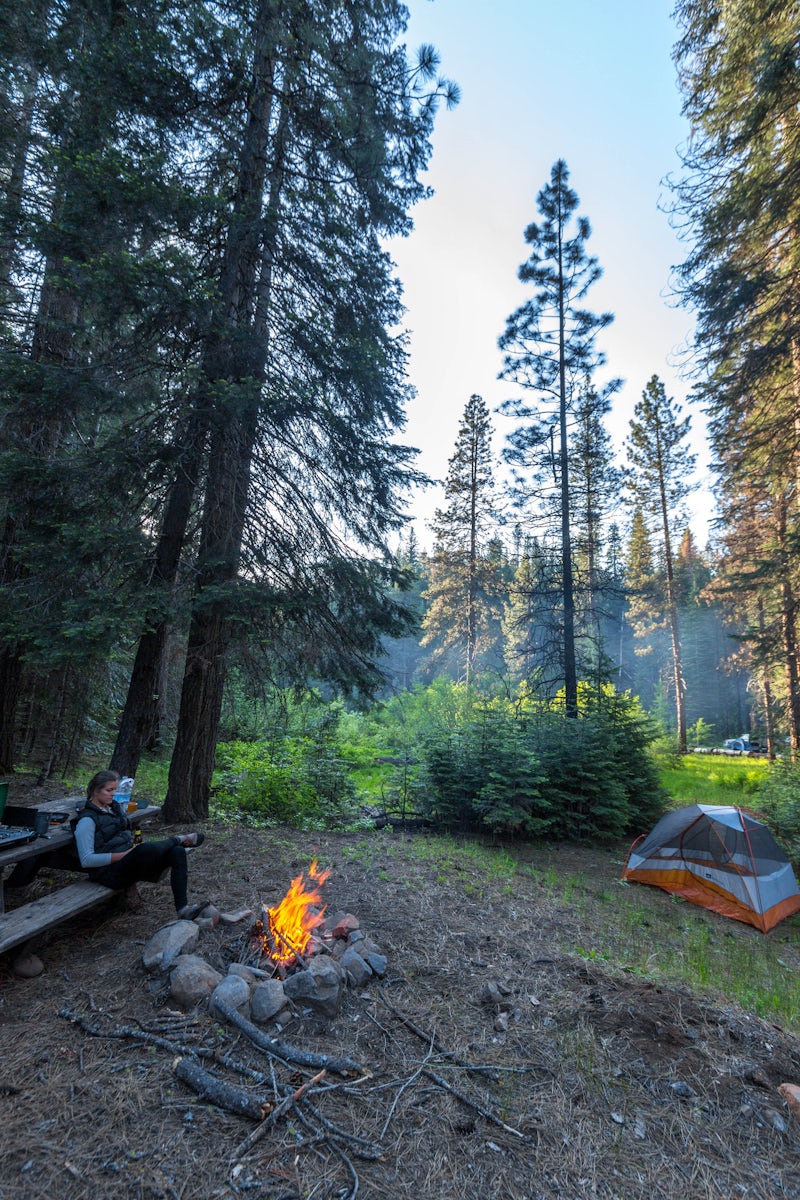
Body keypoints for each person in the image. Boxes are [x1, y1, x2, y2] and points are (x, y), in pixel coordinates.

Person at [75, 769, 208, 918]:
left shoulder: (113, 808)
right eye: (109, 790)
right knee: (144, 849)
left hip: (129, 864)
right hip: (108, 874)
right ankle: (176, 839)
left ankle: (183, 909)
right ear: (95, 791)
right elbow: (86, 860)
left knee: (177, 852)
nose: (113, 794)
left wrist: (131, 852)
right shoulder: (86, 820)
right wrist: (125, 854)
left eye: (115, 789)